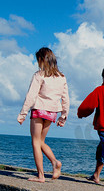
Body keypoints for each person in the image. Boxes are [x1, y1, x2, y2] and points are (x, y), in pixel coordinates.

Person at [17, 47, 69, 183]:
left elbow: (31, 95)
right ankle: (55, 163)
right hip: (52, 113)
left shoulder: (39, 75)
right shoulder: (61, 77)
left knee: (35, 142)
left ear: (42, 60)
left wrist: (22, 113)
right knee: (40, 141)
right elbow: (65, 98)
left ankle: (41, 175)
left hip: (39, 109)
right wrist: (63, 116)